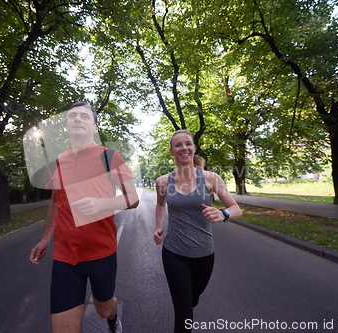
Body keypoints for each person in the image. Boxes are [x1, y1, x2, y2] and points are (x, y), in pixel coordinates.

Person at [29, 102, 139, 333]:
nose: (77, 119)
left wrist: (103, 203)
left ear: (95, 127)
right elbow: (55, 202)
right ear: (68, 126)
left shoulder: (108, 157)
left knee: (103, 310)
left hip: (102, 254)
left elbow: (133, 198)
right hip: (65, 258)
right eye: (72, 116)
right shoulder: (55, 163)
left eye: (84, 117)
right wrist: (45, 238)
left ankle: (113, 314)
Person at [154, 129, 242, 333]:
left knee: (193, 299)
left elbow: (236, 209)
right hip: (174, 253)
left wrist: (223, 214)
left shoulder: (211, 178)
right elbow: (160, 205)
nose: (183, 147)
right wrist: (159, 225)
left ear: (193, 148)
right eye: (178, 145)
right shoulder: (163, 182)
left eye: (188, 143)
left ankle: (190, 303)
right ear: (171, 151)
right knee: (183, 314)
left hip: (204, 254)